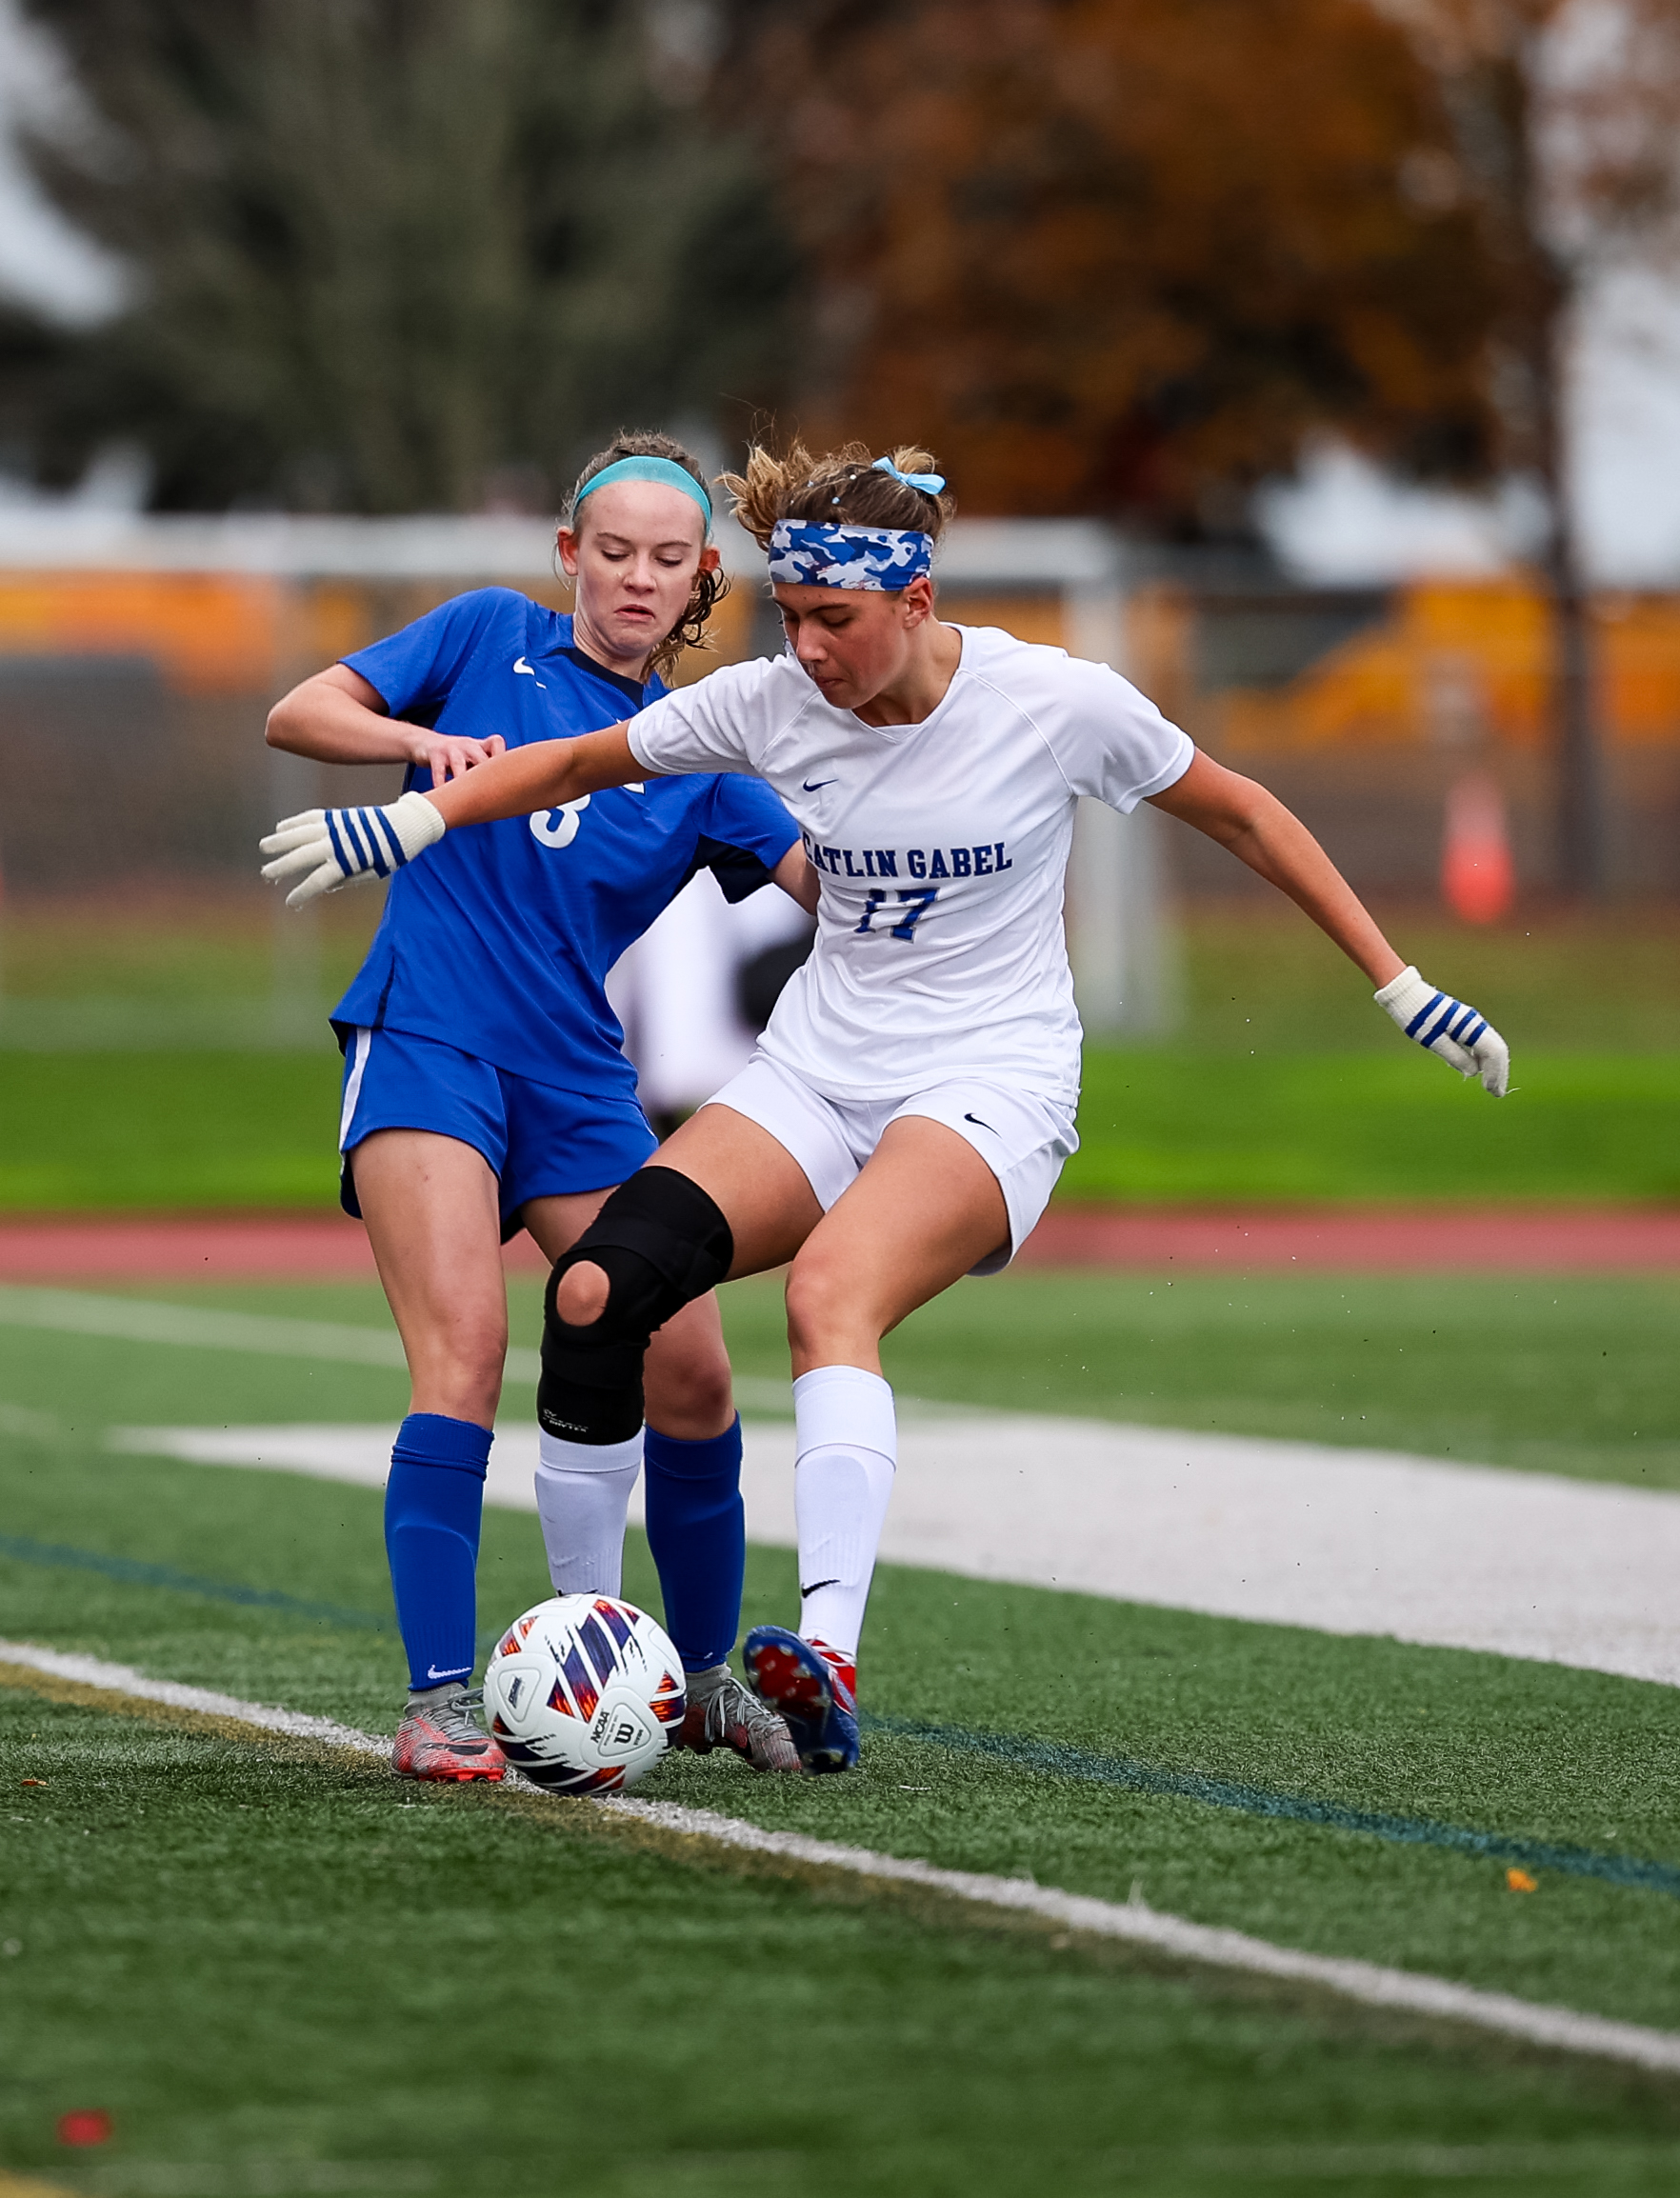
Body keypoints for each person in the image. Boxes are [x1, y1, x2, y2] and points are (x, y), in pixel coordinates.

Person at [263, 438, 1510, 1776]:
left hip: (987, 1080)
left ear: (914, 606)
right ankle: (590, 1654)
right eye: (789, 617)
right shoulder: (750, 702)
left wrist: (1399, 980)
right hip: (785, 1072)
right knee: (591, 1301)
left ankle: (821, 1665)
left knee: (825, 1298)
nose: (804, 648)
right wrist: (412, 819)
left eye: (832, 621)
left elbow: (1246, 813)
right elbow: (572, 764)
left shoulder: (1057, 701)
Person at [263, 432, 815, 1783]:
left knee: (689, 1366)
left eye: (665, 560)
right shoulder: (483, 636)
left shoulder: (699, 756)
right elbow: (298, 713)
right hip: (429, 1041)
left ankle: (695, 1680)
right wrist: (417, 744)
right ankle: (441, 1702)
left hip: (578, 1079)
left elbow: (840, 893)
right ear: (570, 556)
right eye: (610, 550)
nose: (634, 577)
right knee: (463, 1351)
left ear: (699, 586)